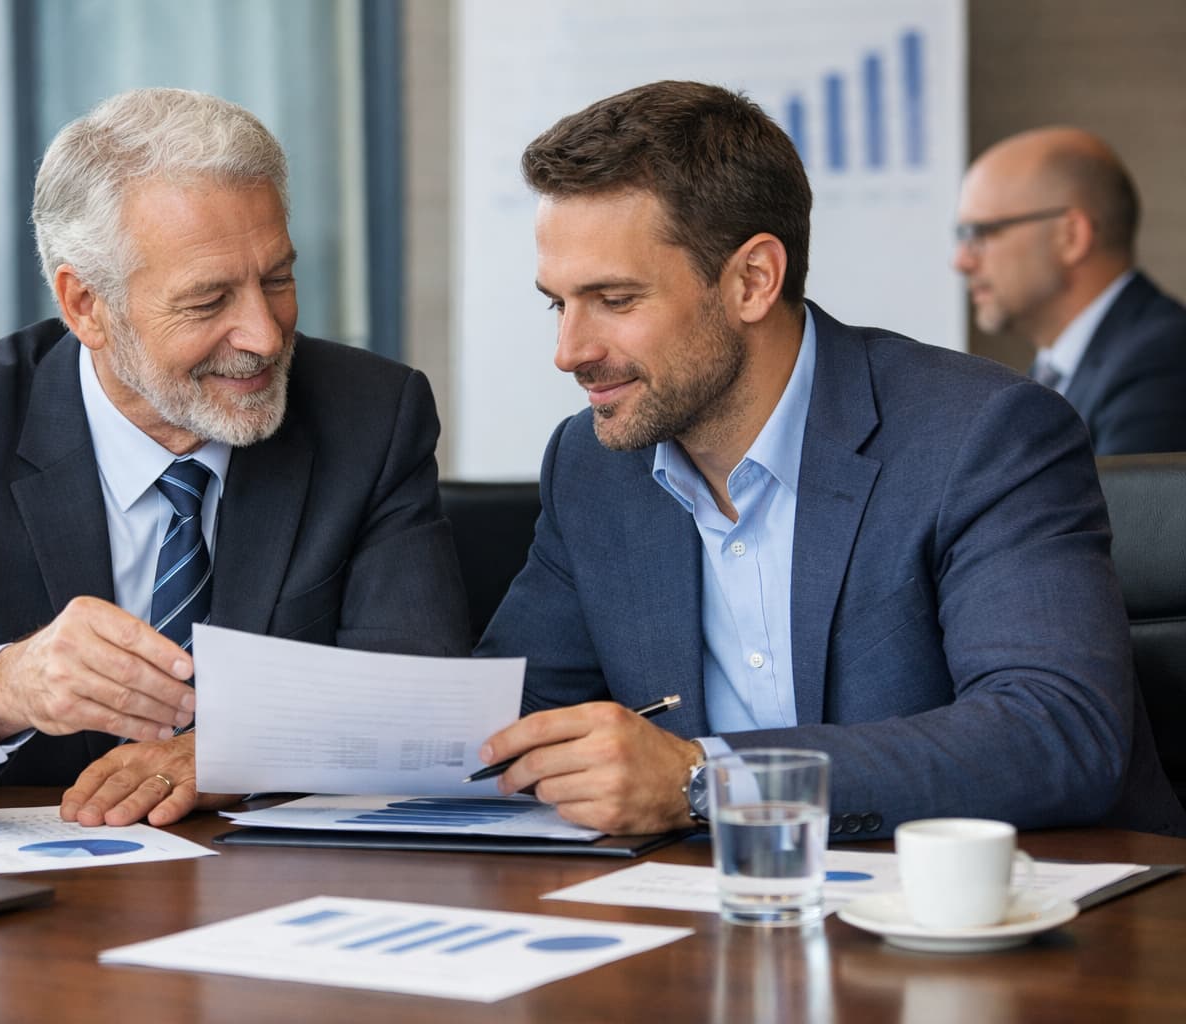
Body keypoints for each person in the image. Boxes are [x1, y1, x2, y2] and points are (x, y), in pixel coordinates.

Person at [472, 81, 1185, 840]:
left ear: (752, 280)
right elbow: (512, 721)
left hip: (1017, 921)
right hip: (718, 918)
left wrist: (700, 780)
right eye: (558, 302)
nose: (568, 352)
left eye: (615, 300)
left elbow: (1056, 733)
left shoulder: (981, 433)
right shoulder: (594, 464)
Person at [0, 88, 469, 826]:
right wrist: (6, 686)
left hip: (281, 890)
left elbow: (423, 693)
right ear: (85, 306)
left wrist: (232, 751)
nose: (262, 334)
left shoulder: (370, 414)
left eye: (278, 279)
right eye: (207, 301)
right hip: (24, 905)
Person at [954, 127, 1186, 455]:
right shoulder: (1055, 371)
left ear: (1071, 237)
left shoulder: (1161, 362)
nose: (961, 261)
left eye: (981, 232)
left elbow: (1132, 507)